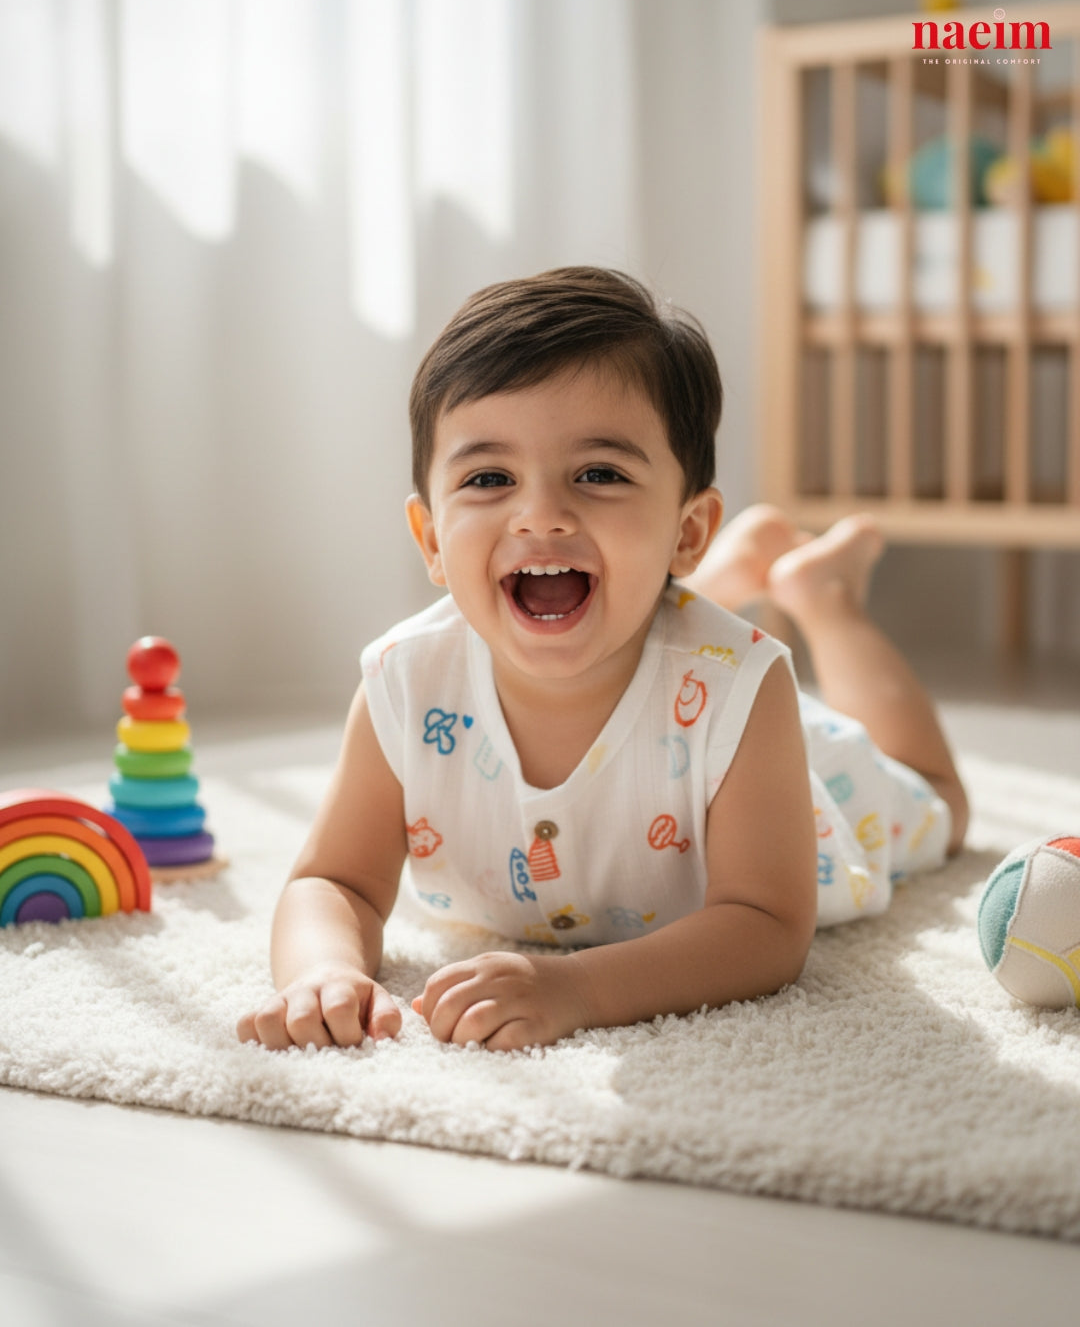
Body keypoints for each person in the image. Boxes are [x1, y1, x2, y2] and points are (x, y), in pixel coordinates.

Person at [237, 267, 968, 1054]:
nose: (541, 514)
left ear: (689, 529)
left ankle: (820, 595)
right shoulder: (406, 680)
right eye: (489, 478)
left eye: (600, 474)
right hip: (675, 669)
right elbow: (332, 882)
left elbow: (767, 927)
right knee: (620, 605)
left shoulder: (745, 689)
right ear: (431, 541)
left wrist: (577, 988)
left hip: (777, 773)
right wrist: (320, 970)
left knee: (940, 806)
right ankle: (668, 595)